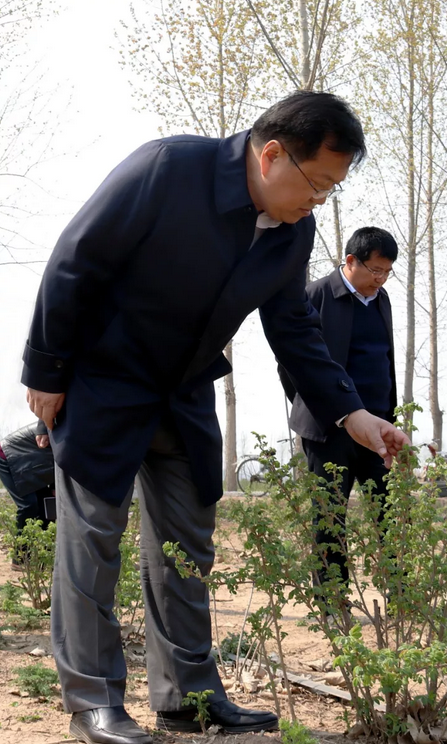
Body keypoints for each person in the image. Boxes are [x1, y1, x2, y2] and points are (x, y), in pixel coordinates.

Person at [22, 92, 410, 744]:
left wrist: (351, 414)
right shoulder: (169, 169)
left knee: (188, 543)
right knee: (92, 541)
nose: (318, 201)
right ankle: (95, 704)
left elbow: (294, 331)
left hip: (184, 392)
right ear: (270, 155)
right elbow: (75, 260)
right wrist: (46, 372)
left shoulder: (293, 230)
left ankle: (187, 698)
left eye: (332, 190)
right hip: (104, 383)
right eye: (315, 183)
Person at [280, 226, 397, 597]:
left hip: (376, 427)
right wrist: (315, 409)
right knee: (330, 520)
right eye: (374, 270)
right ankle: (333, 603)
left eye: (386, 272)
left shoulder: (382, 300)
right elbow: (291, 364)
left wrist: (389, 414)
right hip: (327, 431)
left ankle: (401, 597)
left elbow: (386, 362)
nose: (379, 279)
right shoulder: (315, 294)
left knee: (388, 516)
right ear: (350, 261)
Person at [0, 420, 55, 568]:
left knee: (48, 507)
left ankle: (46, 558)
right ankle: (20, 558)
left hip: (32, 464)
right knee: (28, 505)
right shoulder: (66, 430)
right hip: (8, 456)